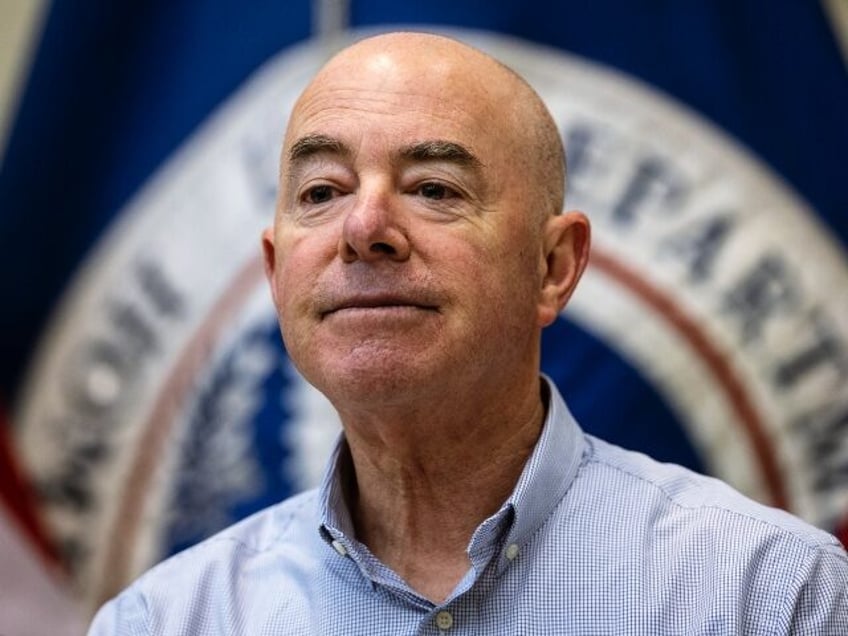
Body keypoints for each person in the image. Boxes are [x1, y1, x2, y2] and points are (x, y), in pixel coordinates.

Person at [89, 31, 848, 634]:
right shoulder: (165, 620)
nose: (364, 228)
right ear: (275, 269)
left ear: (553, 267)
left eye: (433, 189)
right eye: (322, 191)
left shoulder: (772, 598)